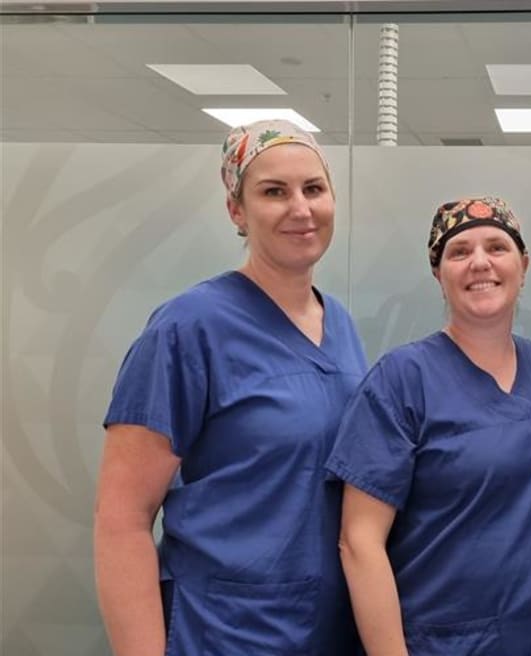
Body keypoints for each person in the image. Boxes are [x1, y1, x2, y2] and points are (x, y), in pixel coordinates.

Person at [94, 119, 367, 655]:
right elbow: (121, 520)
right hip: (223, 633)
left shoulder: (342, 325)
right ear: (236, 210)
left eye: (314, 188)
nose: (301, 208)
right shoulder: (188, 328)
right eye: (273, 191)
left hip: (329, 630)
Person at [325, 197, 531, 656]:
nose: (479, 263)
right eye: (459, 252)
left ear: (523, 266)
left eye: (496, 248)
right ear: (438, 273)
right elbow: (359, 541)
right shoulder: (401, 379)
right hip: (441, 641)